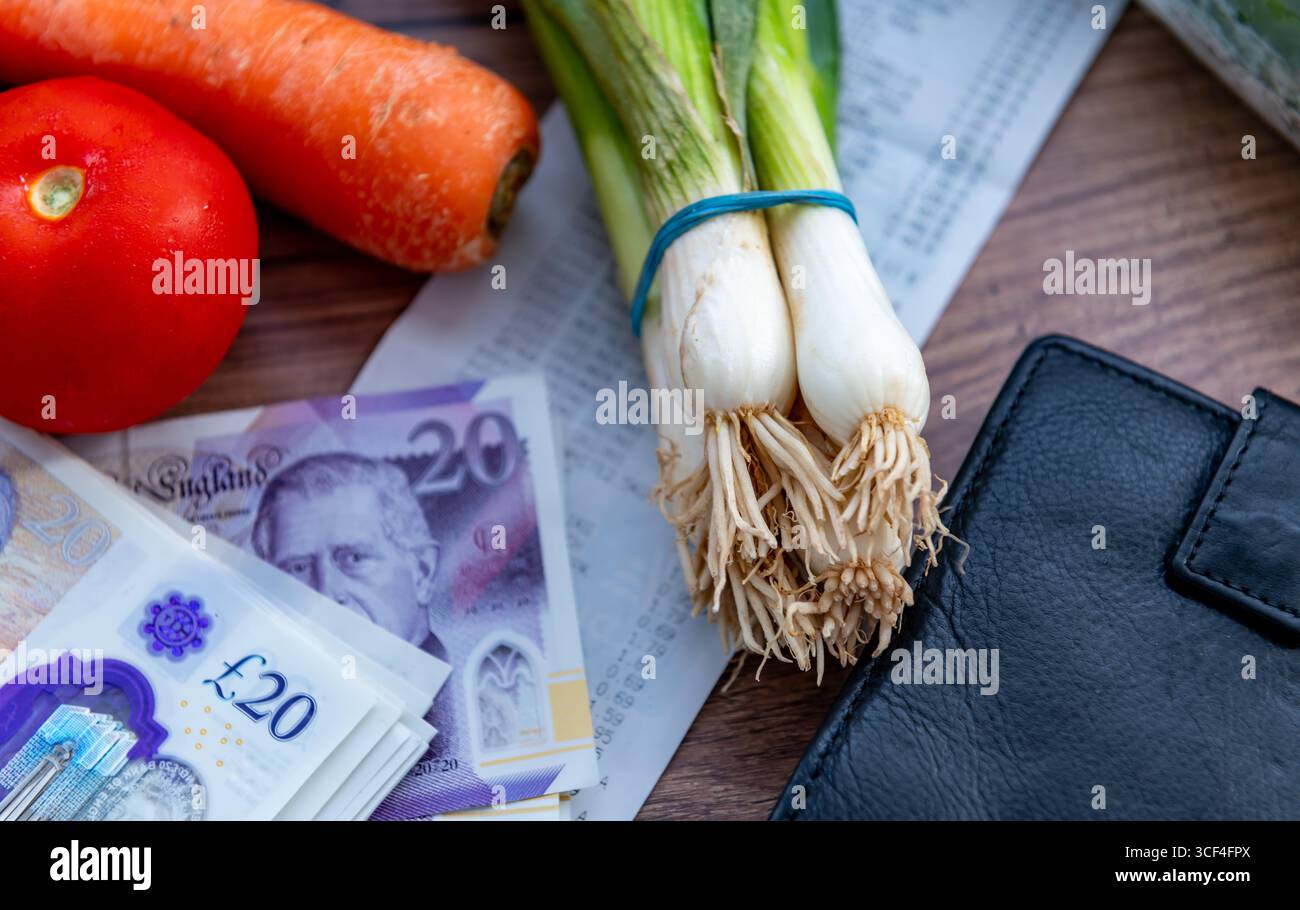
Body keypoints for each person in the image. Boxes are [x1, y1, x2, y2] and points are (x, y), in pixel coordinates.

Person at [249, 452, 455, 754]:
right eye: (297, 568)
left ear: (422, 572)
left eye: (353, 558)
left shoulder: (469, 706)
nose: (326, 593)